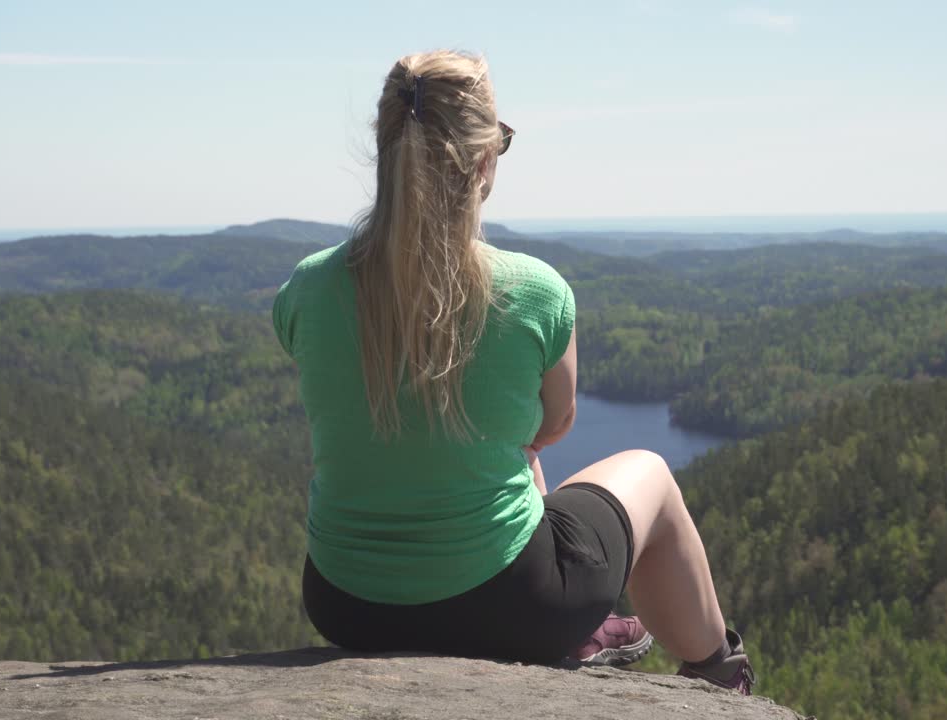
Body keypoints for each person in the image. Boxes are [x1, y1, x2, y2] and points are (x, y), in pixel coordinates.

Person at [272, 50, 755, 695]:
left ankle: (587, 628)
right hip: (511, 608)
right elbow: (555, 423)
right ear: (483, 161)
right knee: (652, 475)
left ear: (386, 151)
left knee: (505, 464)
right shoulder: (533, 291)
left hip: (346, 604)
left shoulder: (307, 288)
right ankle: (722, 677)